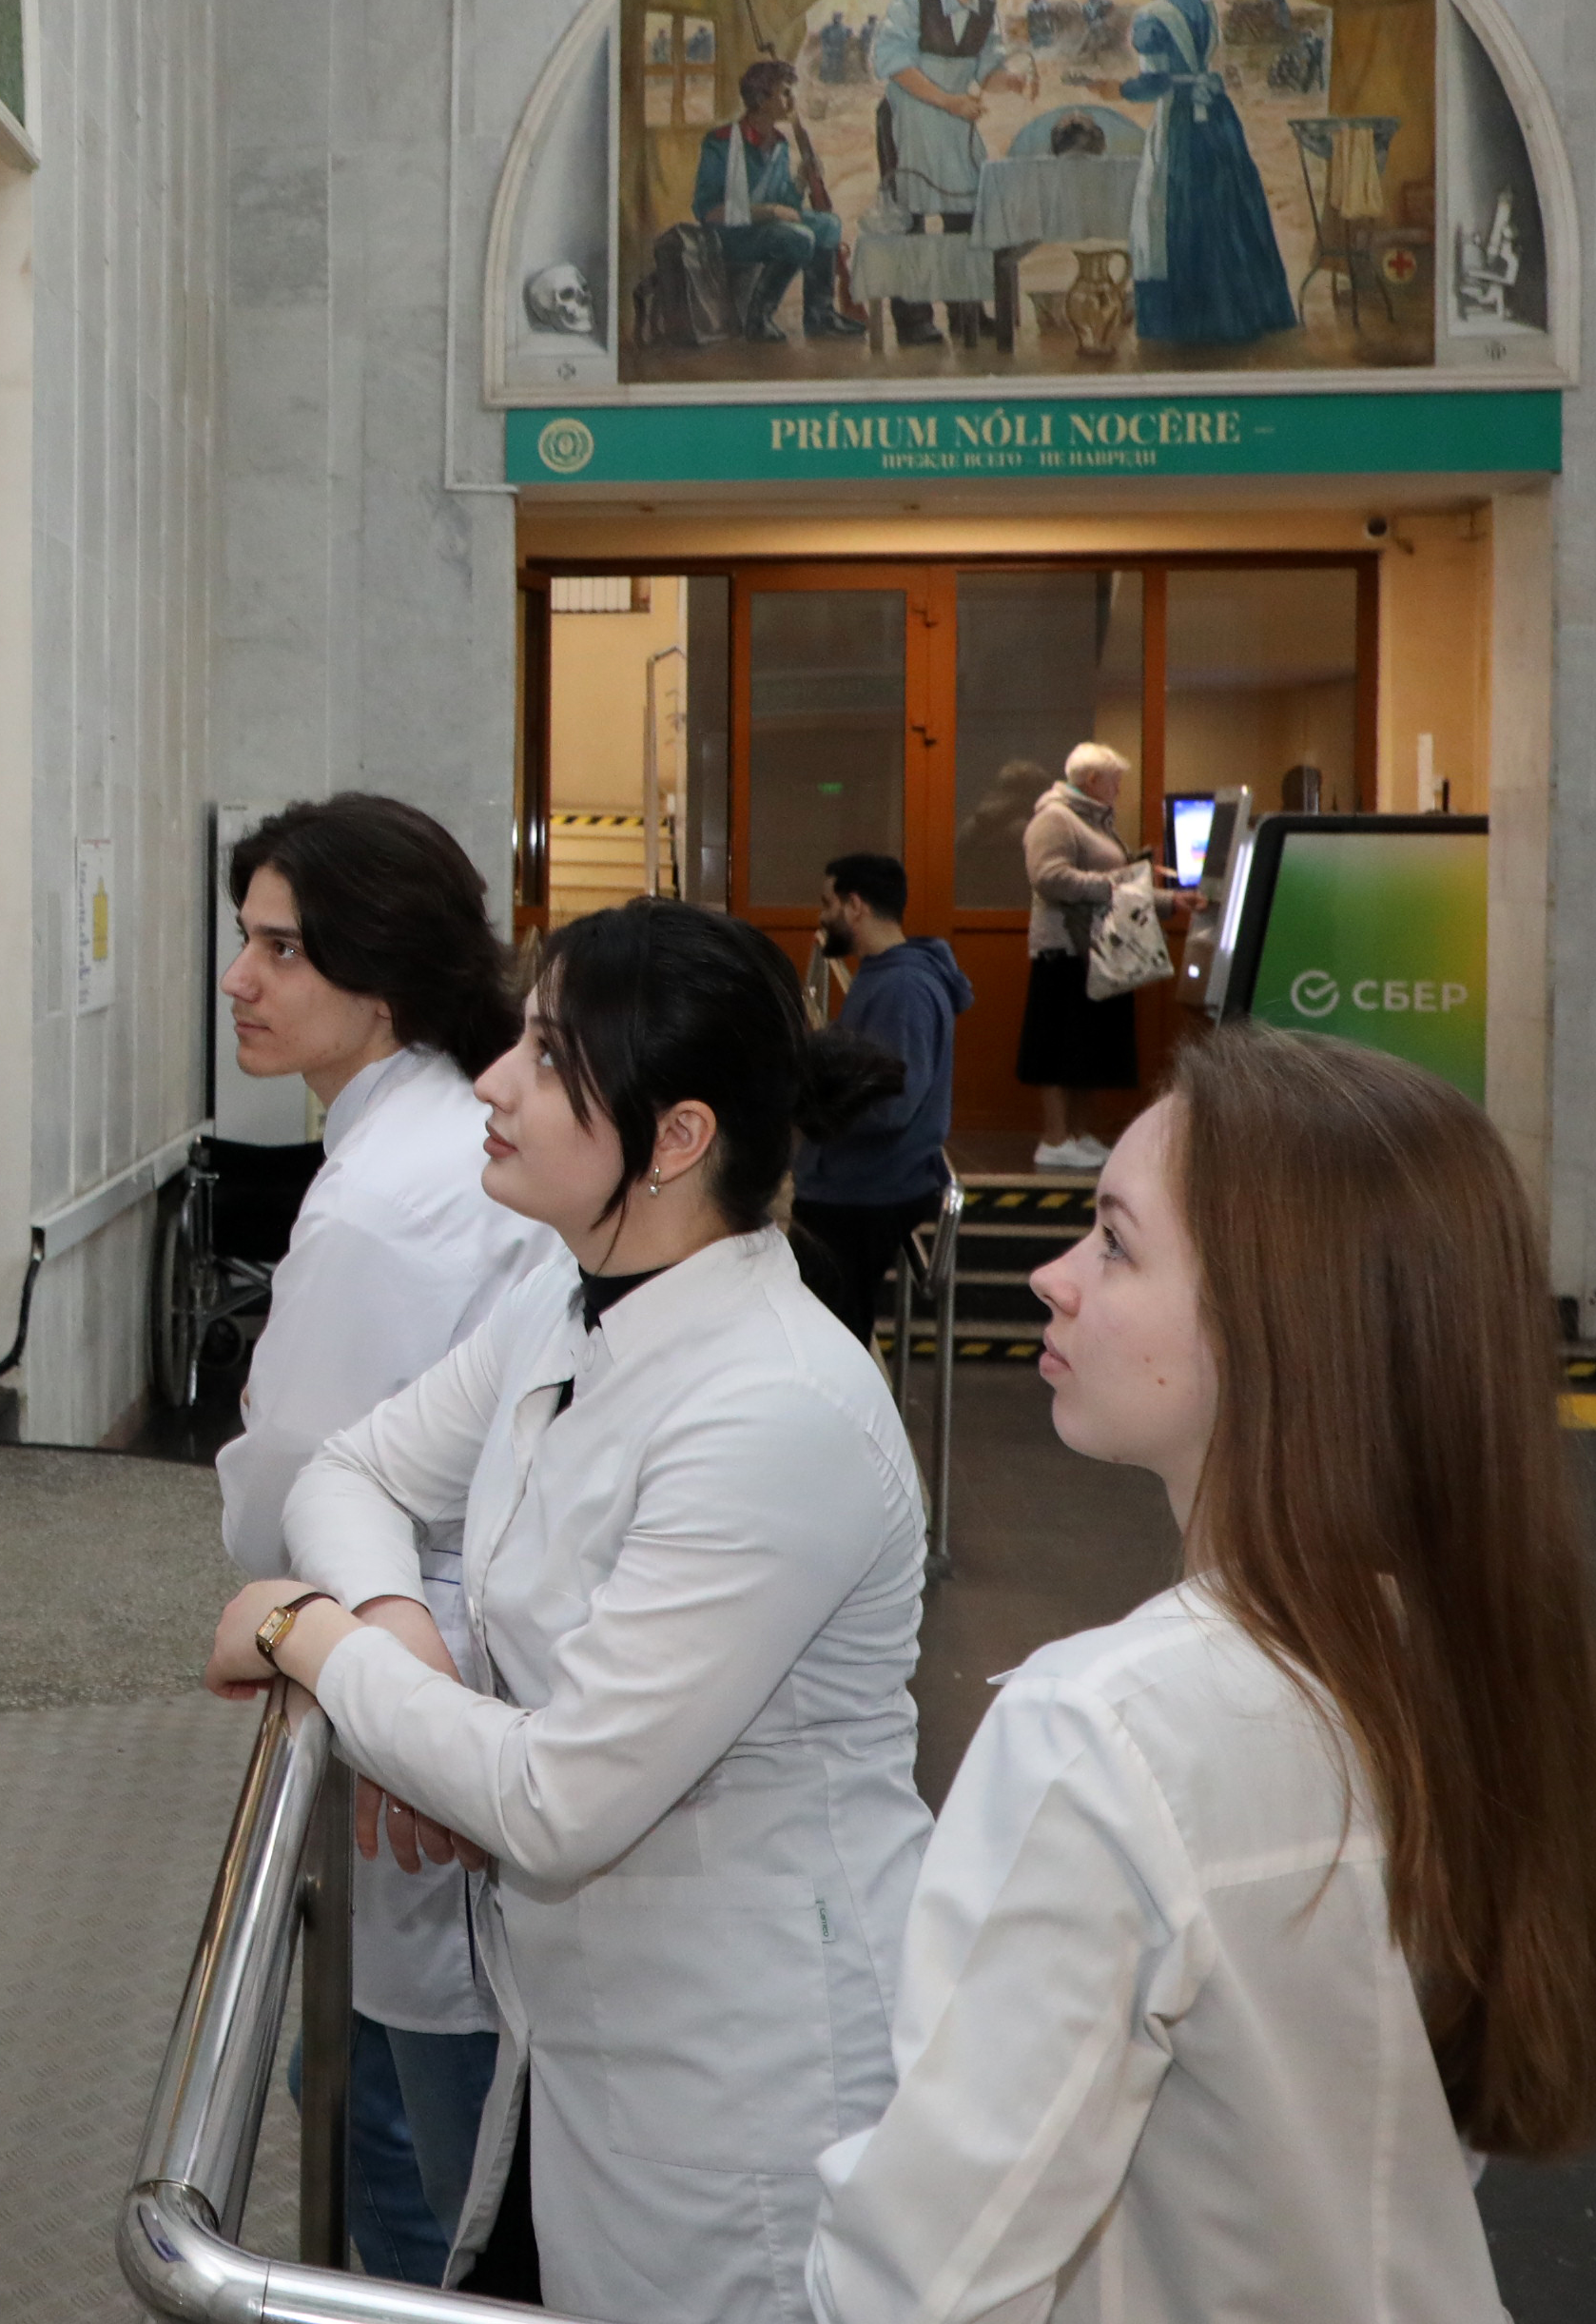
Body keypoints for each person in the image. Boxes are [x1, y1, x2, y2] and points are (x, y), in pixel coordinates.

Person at [806, 1029, 1596, 2317]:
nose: (1052, 1276)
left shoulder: (1108, 1730)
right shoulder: (1459, 1656)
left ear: (1278, 1325)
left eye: (1114, 1243)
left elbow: (923, 2282)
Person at [211, 897, 925, 2323]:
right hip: (585, 2031)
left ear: (675, 1138)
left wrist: (312, 1638)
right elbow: (352, 1470)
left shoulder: (774, 1408)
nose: (491, 1081)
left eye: (546, 1055)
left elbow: (554, 1803)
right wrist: (399, 1627)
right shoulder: (570, 1297)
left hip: (746, 2084)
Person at [207, 796, 551, 2286]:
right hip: (440, 1651)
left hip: (433, 1702)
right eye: (244, 940)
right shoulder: (440, 1136)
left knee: (418, 2158)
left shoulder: (381, 1206)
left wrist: (295, 1548)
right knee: (364, 2092)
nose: (241, 979)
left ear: (384, 974)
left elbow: (284, 1490)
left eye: (284, 949)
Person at [791, 853, 970, 1346]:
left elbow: (892, 1102)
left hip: (862, 1192)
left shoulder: (903, 987)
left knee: (831, 1337)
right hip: (849, 1184)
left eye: (827, 904)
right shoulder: (883, 975)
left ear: (855, 906)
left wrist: (807, 1109)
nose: (821, 917)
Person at [1112, 0, 1300, 347]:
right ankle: (1246, 312)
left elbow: (1155, 83)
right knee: (1228, 207)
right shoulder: (1202, 3)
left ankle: (1187, 323)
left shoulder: (1152, 17)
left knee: (1178, 209)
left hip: (1181, 120)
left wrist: (1115, 89)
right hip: (1216, 116)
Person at [869, 0, 1018, 345]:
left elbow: (988, 69)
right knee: (908, 219)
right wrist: (948, 101)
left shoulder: (986, 7)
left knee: (966, 215)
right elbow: (893, 63)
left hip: (954, 123)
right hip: (907, 117)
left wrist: (1013, 81)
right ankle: (913, 320)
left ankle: (966, 312)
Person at [1018, 742, 1136, 1170]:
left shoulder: (1094, 821)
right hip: (1065, 949)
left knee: (1087, 1048)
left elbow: (1106, 877)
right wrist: (1117, 883)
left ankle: (1078, 1134)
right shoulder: (1055, 818)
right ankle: (1055, 1137)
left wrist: (1141, 883)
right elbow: (1049, 877)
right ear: (1091, 779)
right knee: (1059, 1045)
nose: (1118, 790)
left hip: (1097, 949)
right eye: (1114, 782)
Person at [691, 63, 865, 342]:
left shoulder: (780, 143)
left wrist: (801, 181)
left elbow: (786, 206)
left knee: (829, 225)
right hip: (731, 234)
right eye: (784, 93)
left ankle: (819, 315)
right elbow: (708, 211)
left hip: (767, 229)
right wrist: (770, 211)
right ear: (761, 99)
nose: (792, 100)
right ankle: (758, 318)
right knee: (798, 238)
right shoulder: (720, 142)